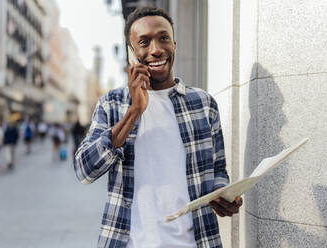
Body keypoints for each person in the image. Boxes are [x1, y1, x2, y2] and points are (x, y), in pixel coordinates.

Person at [74, 6, 242, 248]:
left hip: (197, 242)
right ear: (132, 53)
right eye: (144, 42)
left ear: (174, 43)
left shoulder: (204, 104)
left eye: (163, 38)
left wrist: (224, 196)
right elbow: (84, 170)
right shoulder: (112, 104)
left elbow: (218, 171)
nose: (156, 50)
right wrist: (134, 112)